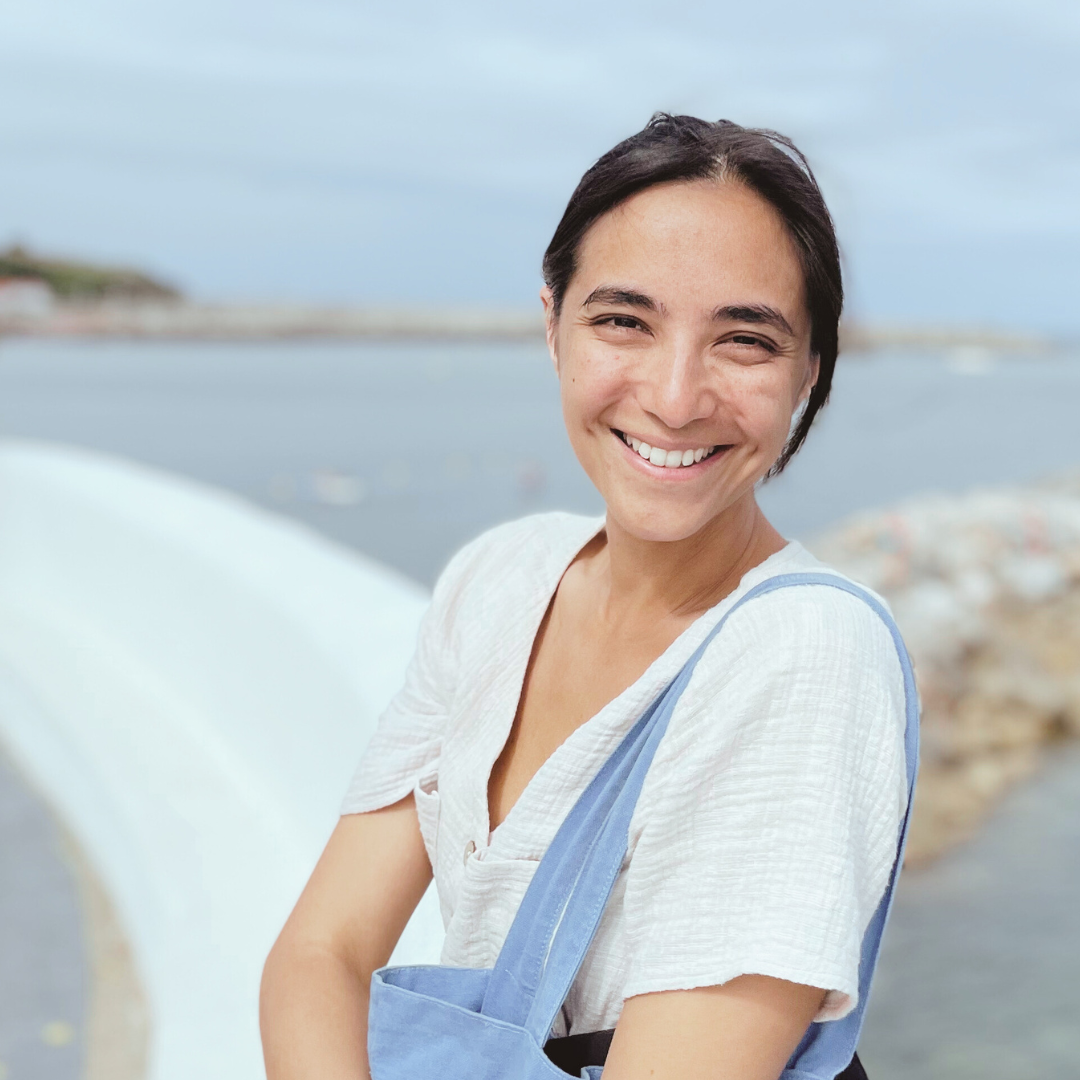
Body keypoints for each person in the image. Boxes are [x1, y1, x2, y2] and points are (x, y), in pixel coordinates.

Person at [260, 114, 910, 1080]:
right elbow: (321, 953)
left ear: (810, 370)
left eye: (746, 340)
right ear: (552, 323)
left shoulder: (803, 652)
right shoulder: (503, 578)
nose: (676, 396)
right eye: (623, 321)